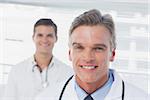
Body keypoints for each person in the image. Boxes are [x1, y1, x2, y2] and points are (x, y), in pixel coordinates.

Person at [58, 9, 148, 100]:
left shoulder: (141, 97)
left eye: (98, 48)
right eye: (79, 48)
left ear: (112, 54)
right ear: (70, 53)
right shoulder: (48, 95)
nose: (88, 58)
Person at [3, 18, 73, 100]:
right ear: (33, 38)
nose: (44, 40)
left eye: (49, 36)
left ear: (56, 38)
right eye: (40, 35)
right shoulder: (17, 71)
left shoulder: (67, 73)